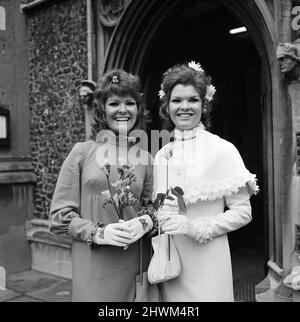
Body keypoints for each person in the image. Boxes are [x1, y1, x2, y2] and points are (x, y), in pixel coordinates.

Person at [153, 61, 259, 302]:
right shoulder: (161, 154)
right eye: (177, 100)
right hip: (170, 265)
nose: (184, 107)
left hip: (209, 264)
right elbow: (161, 211)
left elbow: (243, 213)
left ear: (204, 104)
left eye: (193, 100)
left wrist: (194, 227)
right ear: (167, 106)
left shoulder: (222, 149)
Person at [49, 69, 156, 302]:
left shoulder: (146, 158)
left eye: (130, 103)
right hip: (94, 266)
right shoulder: (82, 152)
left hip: (135, 265)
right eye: (114, 103)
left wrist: (146, 221)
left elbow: (151, 208)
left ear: (138, 109)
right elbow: (59, 218)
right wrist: (98, 233)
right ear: (101, 109)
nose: (122, 110)